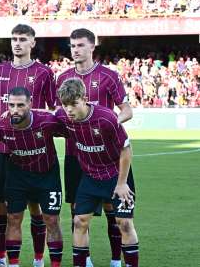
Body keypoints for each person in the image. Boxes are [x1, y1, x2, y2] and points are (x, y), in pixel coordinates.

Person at [0, 24, 56, 267]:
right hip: (7, 152)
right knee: (3, 209)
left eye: (22, 39)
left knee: (37, 208)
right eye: (14, 38)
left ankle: (38, 259)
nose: (17, 43)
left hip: (37, 150)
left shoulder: (44, 73)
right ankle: (0, 258)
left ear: (32, 43)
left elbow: (53, 109)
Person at [56, 28, 133, 267]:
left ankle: (115, 260)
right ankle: (84, 259)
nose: (75, 50)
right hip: (75, 155)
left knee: (113, 211)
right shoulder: (63, 77)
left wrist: (103, 128)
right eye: (72, 46)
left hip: (105, 155)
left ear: (92, 47)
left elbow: (127, 110)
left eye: (80, 45)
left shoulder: (108, 75)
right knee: (77, 211)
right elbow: (58, 115)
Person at [0, 87, 64, 267]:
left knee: (52, 220)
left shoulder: (47, 122)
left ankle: (52, 263)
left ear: (30, 104)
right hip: (17, 175)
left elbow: (72, 131)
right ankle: (13, 264)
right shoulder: (0, 125)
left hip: (47, 176)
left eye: (20, 105)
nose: (15, 110)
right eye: (11, 105)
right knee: (13, 218)